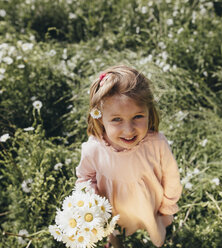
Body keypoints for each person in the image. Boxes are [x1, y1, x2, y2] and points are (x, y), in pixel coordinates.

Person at [76, 65, 182, 247]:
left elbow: (171, 177)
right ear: (100, 118)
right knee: (115, 230)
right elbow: (85, 177)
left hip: (148, 205)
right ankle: (115, 241)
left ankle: (157, 241)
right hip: (112, 207)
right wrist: (89, 198)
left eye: (138, 117)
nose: (128, 130)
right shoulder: (94, 149)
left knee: (154, 232)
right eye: (117, 119)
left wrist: (167, 206)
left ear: (149, 112)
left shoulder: (156, 144)